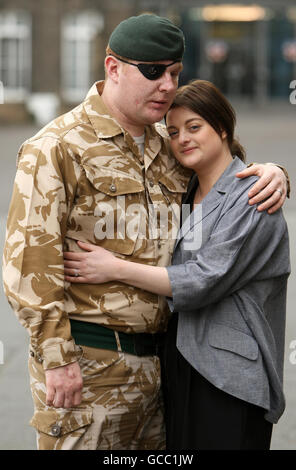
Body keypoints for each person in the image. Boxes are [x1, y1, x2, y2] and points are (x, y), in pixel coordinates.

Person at [2, 13, 288, 451]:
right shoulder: (57, 147)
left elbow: (223, 170)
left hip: (163, 373)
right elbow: (28, 264)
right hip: (90, 372)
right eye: (153, 72)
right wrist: (57, 360)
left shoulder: (166, 143)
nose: (167, 86)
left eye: (174, 72)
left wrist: (275, 173)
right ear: (113, 67)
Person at [63, 80, 290, 450]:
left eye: (194, 127)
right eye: (173, 131)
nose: (182, 138)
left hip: (230, 375)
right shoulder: (185, 191)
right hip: (180, 362)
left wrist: (115, 268)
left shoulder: (252, 197)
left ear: (222, 128)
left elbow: (204, 279)